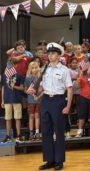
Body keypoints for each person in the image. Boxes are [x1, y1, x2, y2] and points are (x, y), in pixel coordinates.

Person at [28, 42, 73, 171]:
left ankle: (59, 161)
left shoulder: (64, 70)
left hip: (58, 101)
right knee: (46, 131)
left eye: (53, 53)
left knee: (58, 131)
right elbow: (42, 86)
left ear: (59, 55)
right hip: (46, 100)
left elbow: (69, 89)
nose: (50, 55)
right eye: (49, 53)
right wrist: (35, 92)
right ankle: (49, 160)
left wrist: (68, 106)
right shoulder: (44, 69)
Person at [1, 60, 25, 143]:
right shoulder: (4, 75)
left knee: (17, 118)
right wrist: (2, 100)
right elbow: (3, 88)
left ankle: (19, 135)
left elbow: (22, 88)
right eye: (10, 65)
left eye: (13, 65)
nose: (11, 66)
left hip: (17, 99)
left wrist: (13, 86)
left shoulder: (19, 76)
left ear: (16, 65)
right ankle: (7, 136)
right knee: (8, 118)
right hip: (7, 100)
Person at [75, 58, 90, 138]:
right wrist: (78, 80)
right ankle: (80, 130)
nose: (88, 66)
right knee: (82, 114)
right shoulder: (81, 76)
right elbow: (78, 87)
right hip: (83, 97)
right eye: (87, 65)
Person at [24, 61, 42, 141]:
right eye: (33, 68)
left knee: (37, 116)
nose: (34, 69)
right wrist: (28, 91)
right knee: (31, 116)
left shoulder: (40, 78)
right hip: (30, 100)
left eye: (36, 68)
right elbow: (25, 89)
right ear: (30, 69)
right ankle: (31, 132)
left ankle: (37, 132)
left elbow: (42, 89)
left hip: (38, 100)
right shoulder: (27, 78)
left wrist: (38, 96)